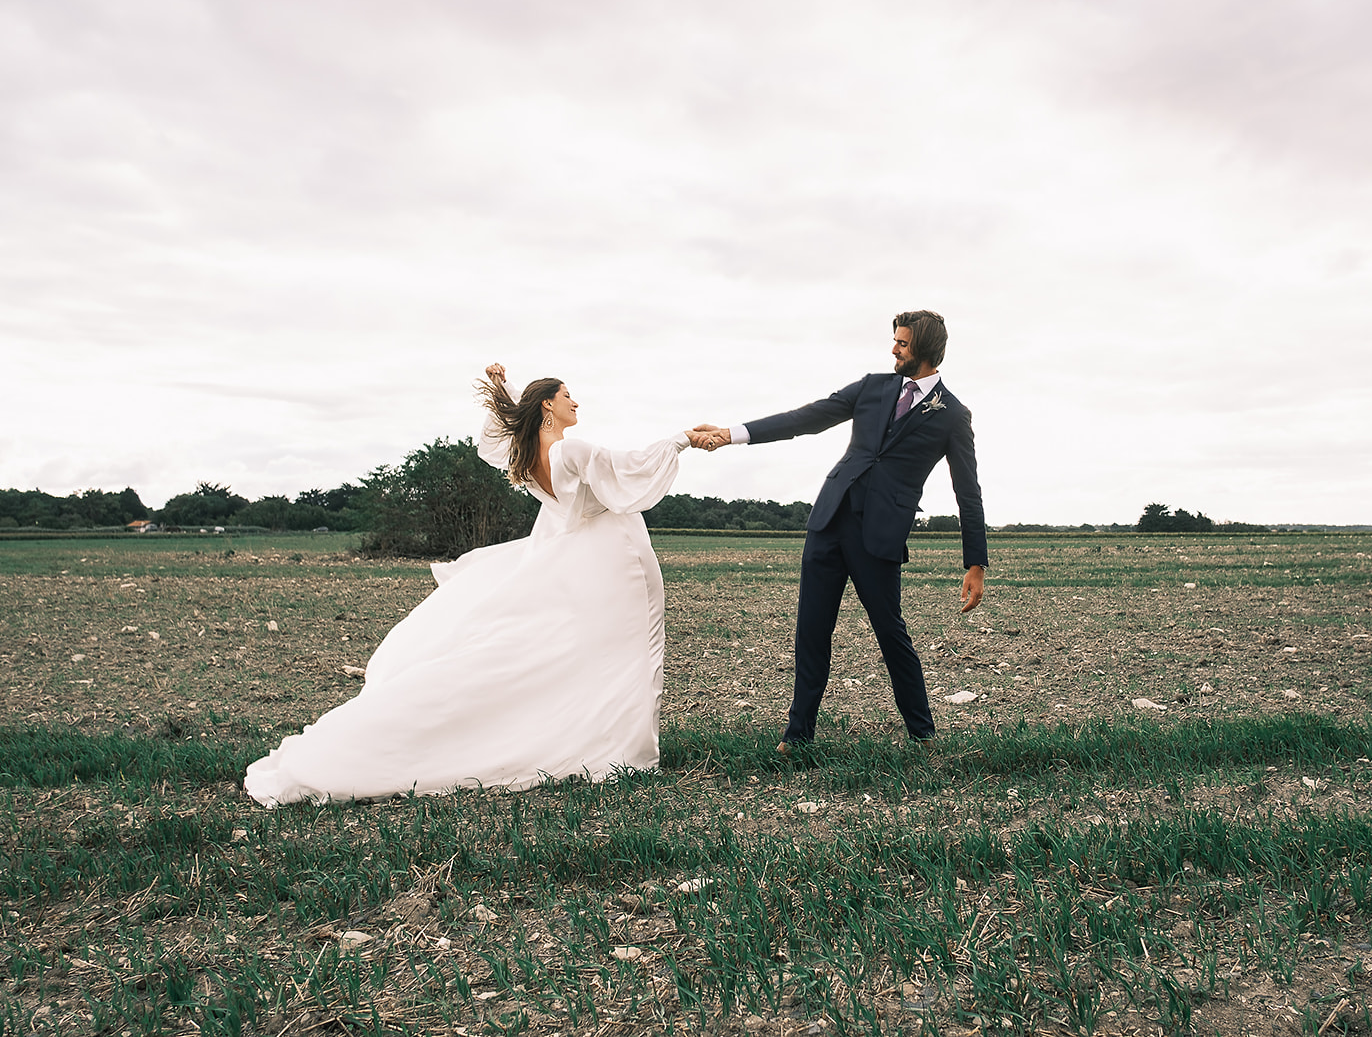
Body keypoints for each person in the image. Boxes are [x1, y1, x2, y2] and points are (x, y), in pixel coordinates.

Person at [244, 366, 713, 806]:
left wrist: (502, 392)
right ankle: (622, 750)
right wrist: (682, 439)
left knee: (595, 655)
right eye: (567, 395)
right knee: (624, 652)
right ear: (548, 406)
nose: (576, 402)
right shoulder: (569, 451)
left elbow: (502, 439)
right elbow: (629, 468)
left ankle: (617, 746)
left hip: (584, 561)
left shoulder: (529, 457)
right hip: (613, 562)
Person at [695, 310, 986, 751]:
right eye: (894, 341)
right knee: (811, 630)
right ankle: (798, 736)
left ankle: (922, 735)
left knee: (891, 633)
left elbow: (968, 492)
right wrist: (731, 433)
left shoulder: (952, 415)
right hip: (828, 521)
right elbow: (805, 418)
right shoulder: (872, 386)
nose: (893, 348)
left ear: (923, 350)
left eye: (902, 343)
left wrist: (975, 562)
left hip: (880, 537)